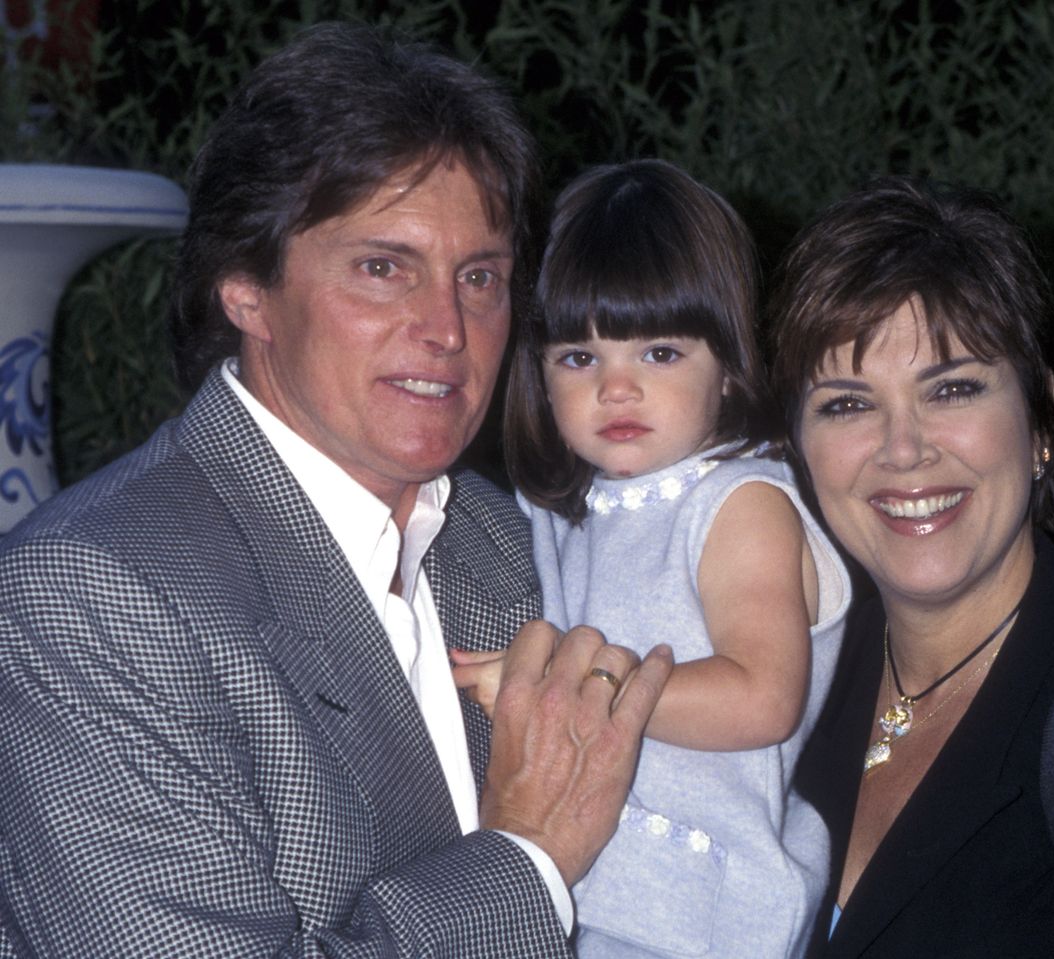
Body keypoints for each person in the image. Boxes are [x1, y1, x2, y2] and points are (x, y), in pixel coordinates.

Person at [0, 23, 673, 958]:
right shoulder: (90, 593)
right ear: (246, 287)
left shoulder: (495, 533)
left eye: (479, 276)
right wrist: (526, 859)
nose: (447, 327)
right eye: (383, 268)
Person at [771, 174, 1054, 957]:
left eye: (953, 389)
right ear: (797, 445)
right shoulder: (785, 685)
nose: (903, 450)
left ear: (1040, 416)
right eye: (847, 403)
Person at [452, 159, 851, 957]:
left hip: (699, 916)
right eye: (580, 358)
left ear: (730, 366)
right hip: (586, 891)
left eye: (660, 354)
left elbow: (762, 697)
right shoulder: (571, 512)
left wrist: (560, 687)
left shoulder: (739, 503)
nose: (618, 388)